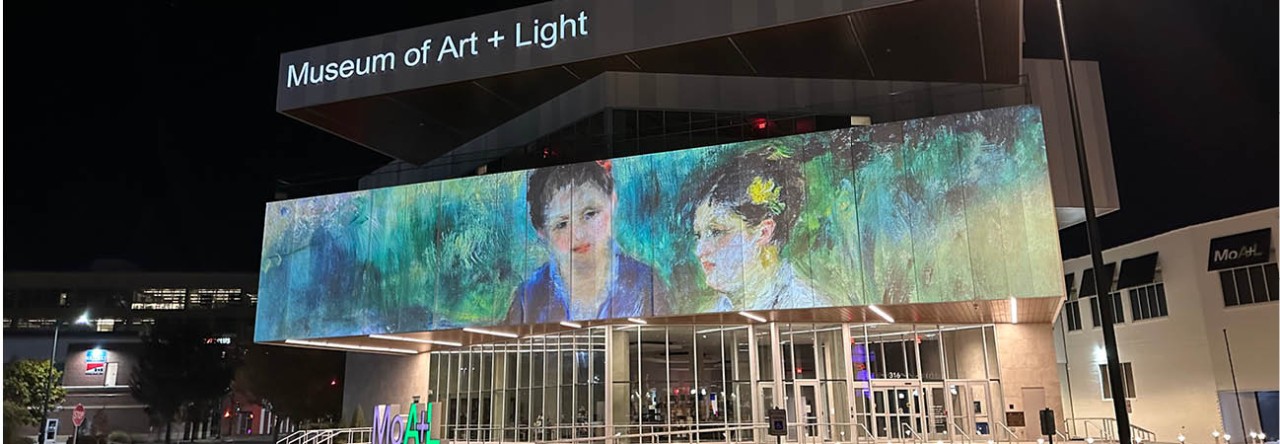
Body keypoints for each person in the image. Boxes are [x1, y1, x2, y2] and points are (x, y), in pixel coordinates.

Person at [507, 160, 669, 324]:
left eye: (590, 214)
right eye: (561, 225)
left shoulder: (645, 284)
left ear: (612, 200)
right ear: (542, 232)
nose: (579, 234)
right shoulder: (528, 298)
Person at [690, 145, 832, 311]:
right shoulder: (715, 311)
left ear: (764, 232)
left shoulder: (806, 305)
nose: (700, 251)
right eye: (698, 235)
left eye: (716, 232)